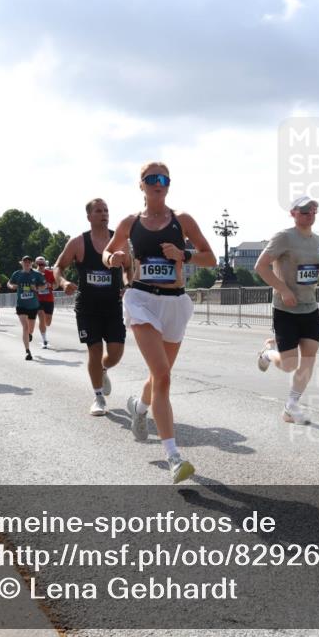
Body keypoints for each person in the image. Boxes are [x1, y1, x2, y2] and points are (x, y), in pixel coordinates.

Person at [104, 161, 216, 484]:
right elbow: (108, 253)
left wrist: (185, 255)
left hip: (175, 303)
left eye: (163, 178)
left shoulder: (182, 221)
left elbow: (211, 257)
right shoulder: (130, 223)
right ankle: (173, 456)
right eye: (151, 178)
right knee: (163, 375)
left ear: (169, 184)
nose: (158, 183)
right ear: (141, 185)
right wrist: (114, 258)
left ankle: (138, 408)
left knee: (158, 376)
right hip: (141, 300)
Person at [254, 196, 319, 426]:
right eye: (304, 211)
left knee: (310, 357)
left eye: (313, 210)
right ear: (293, 213)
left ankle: (291, 406)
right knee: (289, 364)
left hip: (309, 307)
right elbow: (260, 266)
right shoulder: (284, 237)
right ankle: (268, 352)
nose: (309, 214)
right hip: (286, 309)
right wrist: (283, 289)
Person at [54, 198, 127, 416]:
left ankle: (103, 369)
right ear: (89, 216)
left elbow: (129, 267)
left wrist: (127, 284)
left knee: (115, 354)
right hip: (87, 307)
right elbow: (59, 266)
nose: (104, 214)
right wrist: (64, 282)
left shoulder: (120, 240)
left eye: (106, 210)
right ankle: (98, 397)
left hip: (113, 306)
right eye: (98, 211)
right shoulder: (78, 242)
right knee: (94, 350)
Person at [8, 256, 46, 360]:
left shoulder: (36, 274)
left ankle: (29, 334)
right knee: (25, 327)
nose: (27, 263)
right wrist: (12, 286)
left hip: (33, 305)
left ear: (31, 263)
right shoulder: (17, 274)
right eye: (25, 262)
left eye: (29, 262)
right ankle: (27, 351)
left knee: (30, 329)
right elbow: (9, 283)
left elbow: (44, 286)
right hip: (21, 305)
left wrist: (37, 288)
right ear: (22, 263)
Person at [35, 256, 56, 348]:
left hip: (49, 299)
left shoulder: (50, 273)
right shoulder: (33, 274)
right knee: (41, 318)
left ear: (45, 264)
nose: (41, 266)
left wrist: (50, 285)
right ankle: (44, 340)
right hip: (37, 299)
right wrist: (36, 288)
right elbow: (28, 286)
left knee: (48, 322)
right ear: (36, 264)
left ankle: (43, 329)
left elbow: (56, 285)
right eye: (39, 264)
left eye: (42, 264)